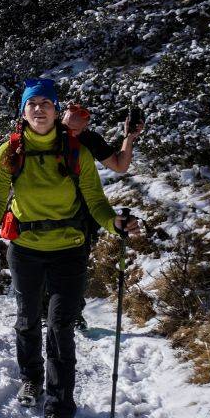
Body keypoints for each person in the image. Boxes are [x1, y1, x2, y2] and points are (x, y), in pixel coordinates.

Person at [0, 78, 141, 418]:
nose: (39, 109)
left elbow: (95, 201)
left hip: (69, 250)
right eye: (32, 104)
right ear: (23, 111)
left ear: (55, 109)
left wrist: (115, 224)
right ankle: (31, 377)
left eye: (45, 103)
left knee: (61, 327)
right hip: (25, 249)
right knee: (27, 318)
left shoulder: (76, 149)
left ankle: (59, 407)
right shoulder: (10, 151)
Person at [59, 102, 145, 331]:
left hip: (83, 211)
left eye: (77, 130)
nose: (71, 133)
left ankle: (74, 312)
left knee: (76, 265)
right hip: (49, 207)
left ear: (85, 127)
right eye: (67, 127)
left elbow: (119, 165)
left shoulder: (90, 139)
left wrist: (129, 137)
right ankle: (47, 309)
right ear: (61, 118)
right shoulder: (48, 132)